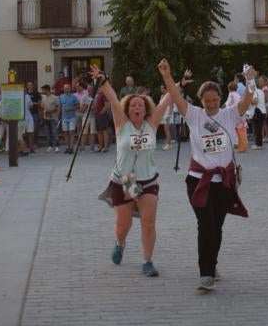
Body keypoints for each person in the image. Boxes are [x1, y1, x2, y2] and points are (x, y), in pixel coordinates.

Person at [161, 59, 254, 292]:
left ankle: (212, 264)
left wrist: (249, 81)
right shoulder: (193, 115)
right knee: (206, 225)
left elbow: (247, 100)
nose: (212, 104)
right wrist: (167, 76)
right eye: (207, 101)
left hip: (223, 181)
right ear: (201, 101)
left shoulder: (230, 115)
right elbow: (175, 95)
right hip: (198, 180)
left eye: (215, 100)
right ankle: (206, 274)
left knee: (218, 226)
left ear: (220, 99)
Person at [92, 63, 173, 278]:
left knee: (148, 222)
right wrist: (102, 79)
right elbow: (110, 96)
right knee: (123, 224)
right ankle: (120, 243)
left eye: (141, 105)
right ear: (128, 110)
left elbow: (169, 98)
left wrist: (169, 78)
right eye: (133, 105)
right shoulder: (121, 123)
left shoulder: (152, 124)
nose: (137, 107)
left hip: (148, 180)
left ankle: (147, 261)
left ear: (146, 109)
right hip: (124, 180)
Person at [59, 83, 79, 154]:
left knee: (71, 133)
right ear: (63, 89)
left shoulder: (74, 97)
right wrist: (58, 116)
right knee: (65, 133)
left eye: (67, 88)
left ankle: (72, 148)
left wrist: (70, 108)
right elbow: (60, 107)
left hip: (72, 118)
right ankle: (68, 147)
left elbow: (77, 106)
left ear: (70, 89)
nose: (66, 90)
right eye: (65, 88)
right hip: (64, 118)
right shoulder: (61, 97)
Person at [40, 84, 61, 151]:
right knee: (47, 133)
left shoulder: (55, 97)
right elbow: (42, 107)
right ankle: (50, 145)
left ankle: (57, 146)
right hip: (46, 117)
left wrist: (57, 117)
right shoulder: (43, 98)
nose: (42, 91)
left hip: (53, 117)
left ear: (47, 90)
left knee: (55, 132)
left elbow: (58, 107)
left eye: (43, 89)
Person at [23, 81, 41, 154]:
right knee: (23, 134)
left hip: (29, 116)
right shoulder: (18, 97)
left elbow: (31, 106)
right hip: (21, 118)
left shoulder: (28, 96)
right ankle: (24, 147)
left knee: (31, 132)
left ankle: (31, 147)